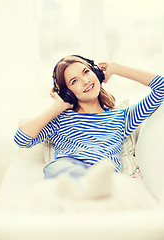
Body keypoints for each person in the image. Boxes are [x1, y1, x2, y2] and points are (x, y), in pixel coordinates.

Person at [14, 55, 164, 199]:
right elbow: (22, 139)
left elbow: (161, 87)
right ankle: (83, 192)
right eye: (74, 81)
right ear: (67, 93)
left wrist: (117, 68)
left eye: (86, 72)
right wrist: (58, 106)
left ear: (96, 72)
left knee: (104, 176)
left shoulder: (122, 117)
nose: (85, 80)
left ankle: (90, 193)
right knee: (62, 170)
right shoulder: (60, 120)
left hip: (104, 170)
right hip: (68, 166)